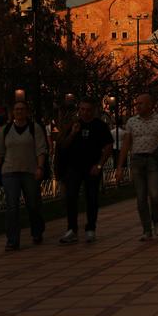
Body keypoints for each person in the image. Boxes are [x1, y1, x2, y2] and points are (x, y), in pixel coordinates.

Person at [0, 101, 48, 251]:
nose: (19, 112)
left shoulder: (35, 129)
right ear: (12, 112)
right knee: (12, 206)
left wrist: (40, 167)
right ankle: (12, 240)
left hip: (30, 170)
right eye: (16, 109)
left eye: (22, 109)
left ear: (27, 112)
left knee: (33, 204)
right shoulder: (5, 130)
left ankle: (37, 231)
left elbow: (41, 150)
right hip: (10, 171)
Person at [57, 98, 113, 244]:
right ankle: (72, 229)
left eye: (88, 110)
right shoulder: (74, 125)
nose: (85, 113)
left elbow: (108, 147)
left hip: (92, 167)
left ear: (93, 110)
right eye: (82, 109)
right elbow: (63, 145)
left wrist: (99, 165)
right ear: (78, 110)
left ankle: (90, 228)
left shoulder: (100, 126)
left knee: (92, 198)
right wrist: (73, 133)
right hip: (74, 167)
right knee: (71, 198)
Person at [116, 92, 158, 241]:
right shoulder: (132, 122)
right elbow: (126, 143)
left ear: (150, 105)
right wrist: (120, 166)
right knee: (140, 198)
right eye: (136, 104)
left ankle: (156, 219)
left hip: (153, 159)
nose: (137, 106)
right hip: (137, 160)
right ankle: (146, 229)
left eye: (141, 103)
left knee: (154, 194)